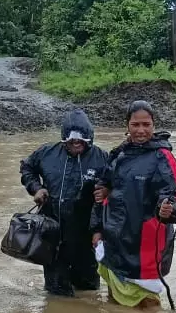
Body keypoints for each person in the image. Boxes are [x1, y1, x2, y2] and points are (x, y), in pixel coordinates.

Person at [89, 101, 176, 309]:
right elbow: (101, 192)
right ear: (127, 126)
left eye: (146, 124)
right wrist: (96, 229)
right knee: (114, 305)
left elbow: (175, 195)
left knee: (148, 308)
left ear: (153, 125)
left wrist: (168, 209)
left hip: (144, 245)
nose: (141, 130)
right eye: (135, 125)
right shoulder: (119, 155)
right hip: (114, 242)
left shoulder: (162, 157)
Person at [19, 108, 110, 297]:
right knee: (56, 294)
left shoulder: (102, 158)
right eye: (71, 141)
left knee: (88, 294)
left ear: (89, 138)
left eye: (81, 141)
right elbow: (27, 167)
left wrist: (100, 229)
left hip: (86, 239)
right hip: (53, 237)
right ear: (64, 139)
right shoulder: (46, 153)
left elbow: (115, 189)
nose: (76, 144)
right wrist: (36, 188)